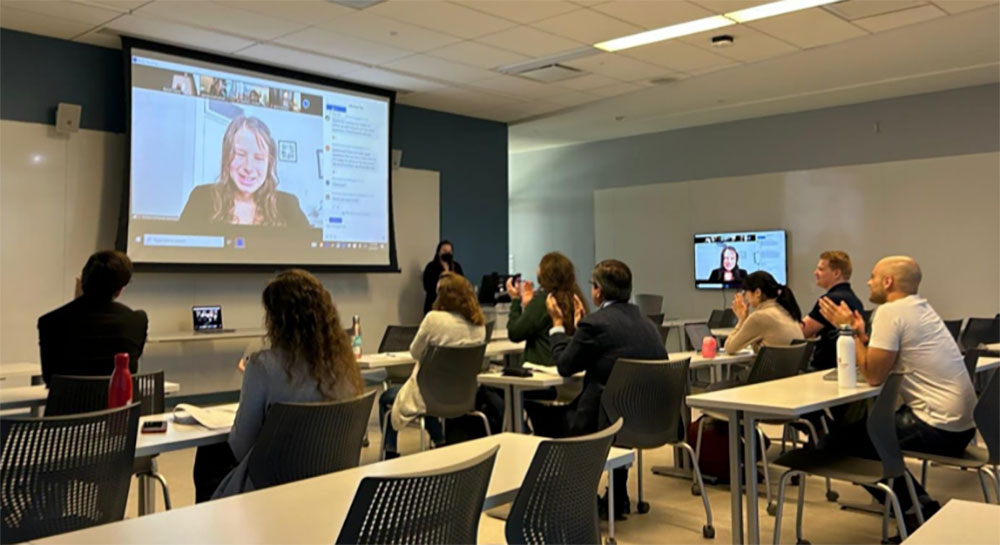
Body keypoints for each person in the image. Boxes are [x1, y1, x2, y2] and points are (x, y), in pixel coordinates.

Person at [818, 256, 976, 529]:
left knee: (839, 444)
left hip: (937, 428)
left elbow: (873, 375)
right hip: (963, 427)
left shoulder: (890, 312)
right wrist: (862, 336)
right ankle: (919, 506)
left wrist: (849, 331)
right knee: (864, 434)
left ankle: (914, 513)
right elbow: (882, 360)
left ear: (888, 282)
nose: (868, 282)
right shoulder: (920, 308)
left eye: (873, 277)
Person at [199, 269, 362, 500]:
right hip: (331, 484)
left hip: (272, 487)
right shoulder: (345, 366)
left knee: (207, 456)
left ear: (276, 320)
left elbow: (241, 446)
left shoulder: (263, 366)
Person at [535, 259, 667, 518]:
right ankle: (617, 497)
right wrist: (580, 332)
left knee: (538, 413)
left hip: (601, 422)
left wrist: (558, 325)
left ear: (598, 291)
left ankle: (574, 497)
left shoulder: (596, 325)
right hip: (646, 419)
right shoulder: (648, 325)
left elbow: (565, 366)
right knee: (618, 406)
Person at [380, 272, 487, 458]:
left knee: (387, 398)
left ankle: (390, 452)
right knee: (429, 393)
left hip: (430, 395)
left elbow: (415, 351)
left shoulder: (433, 319)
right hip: (464, 397)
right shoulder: (479, 325)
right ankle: (439, 441)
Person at [37, 250, 147, 384]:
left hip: (69, 398)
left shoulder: (50, 322)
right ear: (119, 290)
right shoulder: (137, 320)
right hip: (119, 398)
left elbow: (50, 378)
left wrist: (78, 301)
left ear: (82, 280)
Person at [178, 115, 310, 228]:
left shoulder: (289, 205)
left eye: (259, 158)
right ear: (227, 157)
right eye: (240, 154)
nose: (249, 167)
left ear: (269, 164)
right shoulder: (201, 197)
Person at [505, 251, 588, 365]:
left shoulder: (543, 301)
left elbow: (515, 334)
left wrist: (515, 300)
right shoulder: (576, 298)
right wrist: (529, 306)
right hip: (567, 366)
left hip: (541, 367)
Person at [801, 251, 865, 370]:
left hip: (825, 367)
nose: (815, 273)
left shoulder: (829, 301)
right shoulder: (854, 298)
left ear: (836, 273)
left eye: (820, 269)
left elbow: (802, 332)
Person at [724, 271, 804, 354]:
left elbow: (730, 347)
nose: (745, 297)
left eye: (745, 292)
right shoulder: (786, 310)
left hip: (774, 362)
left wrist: (741, 320)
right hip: (789, 363)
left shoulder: (759, 317)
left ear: (757, 293)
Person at [421, 240, 464, 314]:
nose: (447, 253)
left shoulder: (456, 266)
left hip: (453, 305)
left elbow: (462, 283)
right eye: (444, 251)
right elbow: (427, 286)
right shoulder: (431, 267)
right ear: (438, 252)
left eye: (450, 251)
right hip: (434, 304)